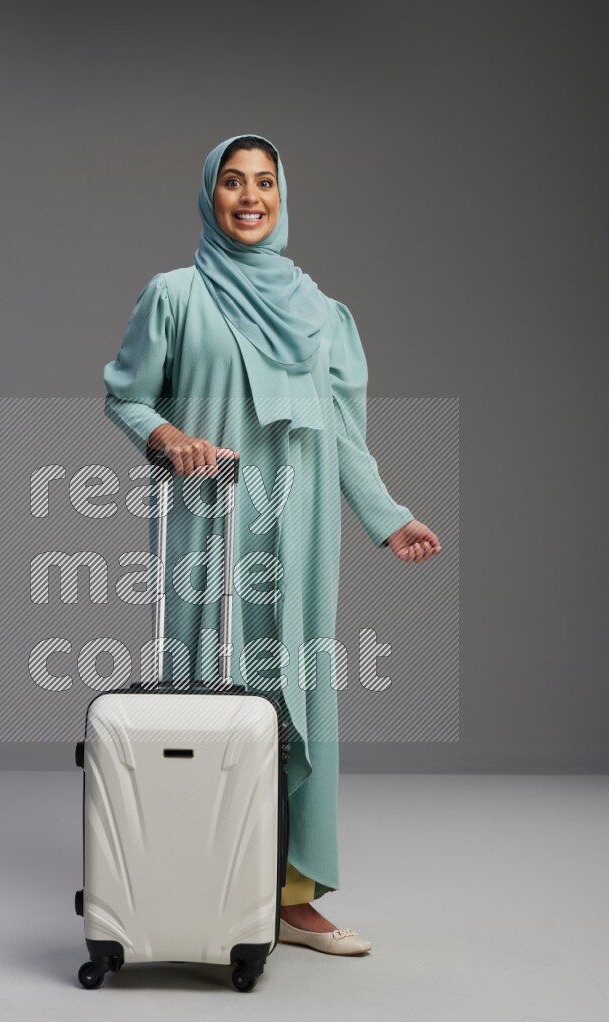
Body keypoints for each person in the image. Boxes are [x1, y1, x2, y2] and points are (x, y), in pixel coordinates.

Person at [103, 133, 441, 957]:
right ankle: (198, 884)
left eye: (263, 182)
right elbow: (126, 396)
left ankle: (292, 895)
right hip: (206, 515)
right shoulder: (175, 295)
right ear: (209, 195)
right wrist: (168, 437)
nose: (249, 196)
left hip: (301, 523)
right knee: (201, 688)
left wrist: (388, 515)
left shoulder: (321, 313)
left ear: (282, 197)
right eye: (232, 181)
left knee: (296, 693)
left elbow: (344, 435)